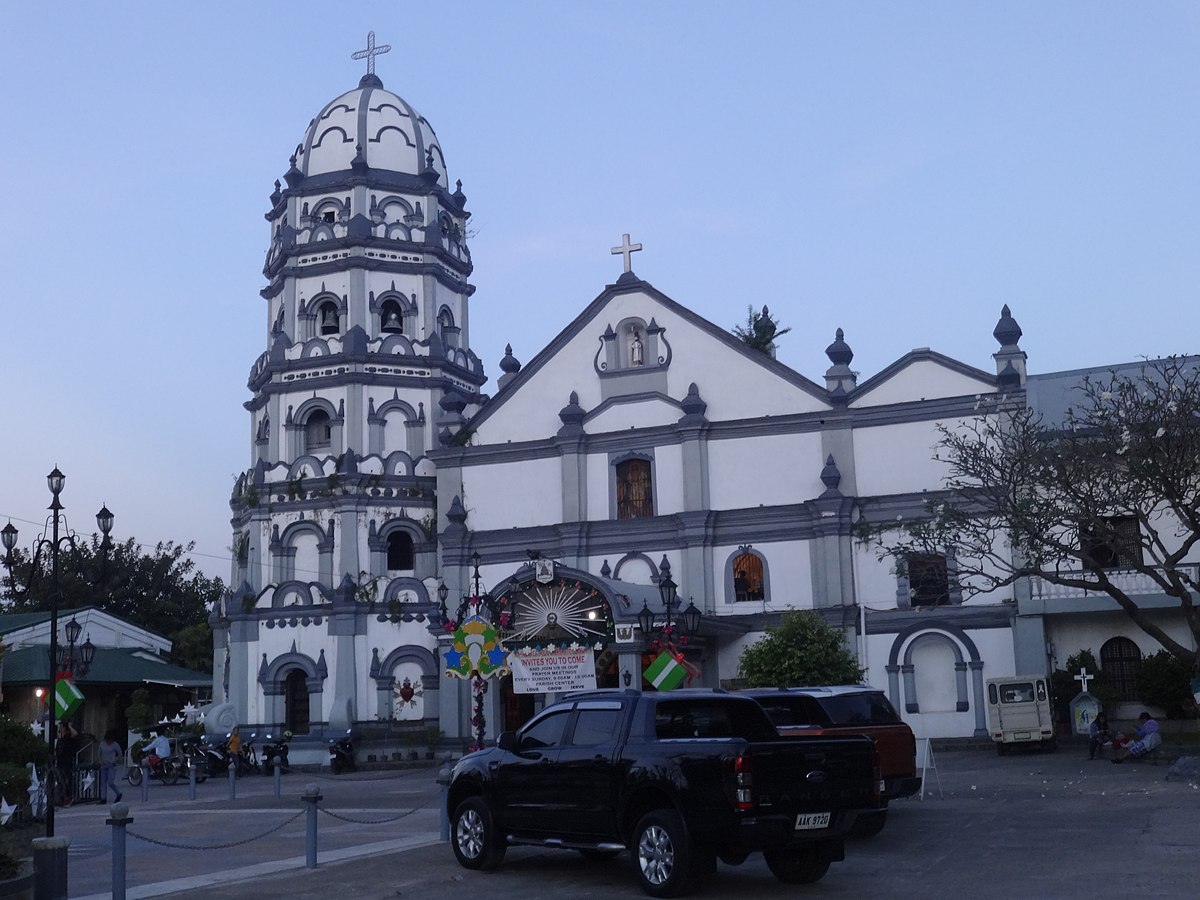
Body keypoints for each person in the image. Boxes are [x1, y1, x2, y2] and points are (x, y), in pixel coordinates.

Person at [54, 721, 79, 806]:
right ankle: (62, 798)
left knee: (68, 781)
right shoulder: (60, 741)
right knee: (61, 782)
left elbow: (75, 735)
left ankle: (69, 797)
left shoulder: (70, 740)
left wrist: (70, 726)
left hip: (67, 764)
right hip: (60, 764)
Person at [98, 729, 124, 803]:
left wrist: (115, 760)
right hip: (104, 765)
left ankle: (118, 793)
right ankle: (103, 798)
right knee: (103, 783)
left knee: (110, 782)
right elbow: (99, 754)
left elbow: (120, 753)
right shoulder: (102, 744)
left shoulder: (115, 744)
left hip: (111, 765)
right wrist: (100, 760)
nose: (109, 741)